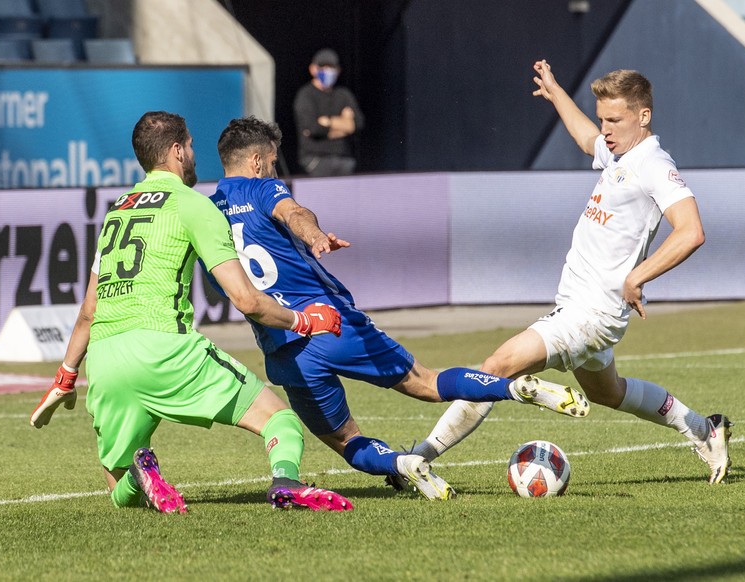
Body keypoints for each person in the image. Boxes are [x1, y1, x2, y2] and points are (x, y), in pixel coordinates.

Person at [205, 115, 591, 501]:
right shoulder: (262, 188)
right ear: (257, 162)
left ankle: (402, 464)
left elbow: (221, 285)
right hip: (328, 323)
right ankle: (512, 388)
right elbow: (293, 213)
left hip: (282, 347)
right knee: (426, 382)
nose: (274, 169)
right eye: (272, 162)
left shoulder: (207, 210)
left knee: (345, 441)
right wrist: (315, 234)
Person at [406, 60, 732, 485]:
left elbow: (691, 231)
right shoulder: (619, 153)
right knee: (608, 393)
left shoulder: (653, 163)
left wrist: (638, 277)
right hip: (584, 308)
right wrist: (557, 91)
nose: (606, 129)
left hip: (590, 314)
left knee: (496, 366)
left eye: (614, 120)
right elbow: (584, 138)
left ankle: (418, 458)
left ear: (644, 116)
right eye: (603, 119)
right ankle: (706, 433)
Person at [29, 111, 353, 513]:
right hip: (166, 349)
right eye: (192, 146)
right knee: (279, 420)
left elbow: (88, 312)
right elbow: (247, 300)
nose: (196, 155)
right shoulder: (195, 206)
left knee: (119, 490)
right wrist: (306, 320)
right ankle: (285, 482)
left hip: (107, 360)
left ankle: (139, 472)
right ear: (177, 150)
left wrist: (65, 376)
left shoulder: (117, 212)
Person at [293, 48, 364, 177]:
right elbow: (313, 128)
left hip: (344, 159)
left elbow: (357, 124)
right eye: (323, 67)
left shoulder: (343, 95)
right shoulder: (306, 95)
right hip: (316, 160)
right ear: (313, 69)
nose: (328, 71)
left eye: (332, 67)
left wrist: (328, 122)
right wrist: (344, 124)